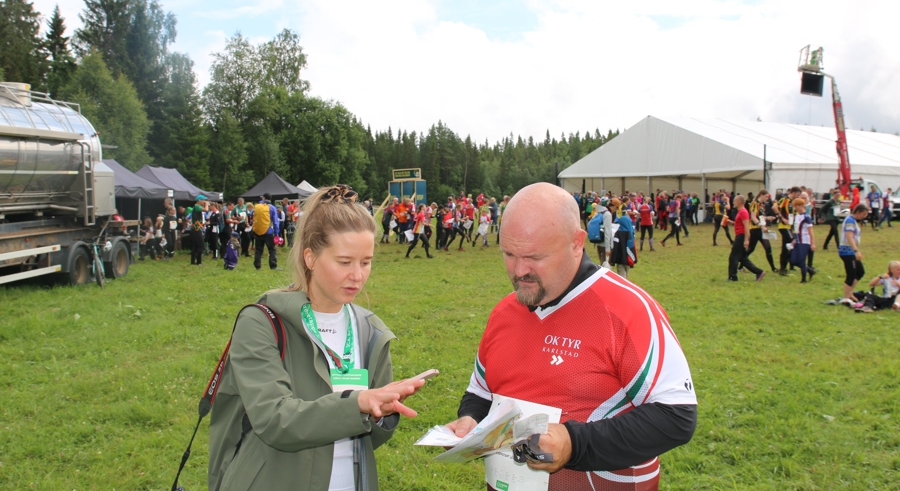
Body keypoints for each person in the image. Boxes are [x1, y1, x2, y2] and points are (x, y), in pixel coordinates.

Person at [444, 183, 696, 490]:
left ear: (577, 243)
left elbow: (676, 416)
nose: (519, 270)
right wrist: (469, 420)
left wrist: (573, 444)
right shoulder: (503, 313)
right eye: (509, 253)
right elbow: (480, 394)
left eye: (535, 257)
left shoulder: (627, 309)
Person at [208, 184, 425, 491]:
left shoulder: (371, 331)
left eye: (366, 262)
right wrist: (359, 403)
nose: (358, 276)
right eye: (344, 262)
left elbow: (370, 439)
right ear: (310, 258)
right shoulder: (261, 322)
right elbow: (275, 420)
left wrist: (381, 414)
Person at [835, 204, 869, 304]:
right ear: (858, 212)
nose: (865, 216)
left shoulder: (852, 220)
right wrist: (856, 251)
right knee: (851, 275)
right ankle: (846, 297)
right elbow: (849, 236)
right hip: (847, 251)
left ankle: (850, 293)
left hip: (850, 251)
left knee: (860, 272)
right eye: (864, 214)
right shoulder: (850, 220)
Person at [728, 195, 766, 282]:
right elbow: (741, 224)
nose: (733, 202)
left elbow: (746, 226)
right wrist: (732, 223)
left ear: (740, 202)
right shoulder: (741, 212)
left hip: (741, 236)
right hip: (740, 235)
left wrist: (746, 239)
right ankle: (759, 272)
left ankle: (732, 277)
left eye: (735, 201)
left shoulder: (743, 212)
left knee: (733, 257)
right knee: (742, 258)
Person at [789, 198, 815, 283]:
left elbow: (810, 230)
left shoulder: (806, 217)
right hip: (797, 241)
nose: (795, 208)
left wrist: (812, 243)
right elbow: (796, 230)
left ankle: (804, 279)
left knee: (801, 260)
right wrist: (794, 239)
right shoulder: (797, 216)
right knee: (793, 260)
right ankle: (809, 270)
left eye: (797, 206)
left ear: (801, 206)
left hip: (805, 241)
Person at [252, 192, 280, 271]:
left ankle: (257, 266)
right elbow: (275, 222)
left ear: (263, 198)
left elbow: (252, 215)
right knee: (271, 249)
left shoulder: (257, 206)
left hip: (258, 231)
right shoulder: (272, 208)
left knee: (258, 249)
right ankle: (273, 265)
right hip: (268, 231)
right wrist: (276, 233)